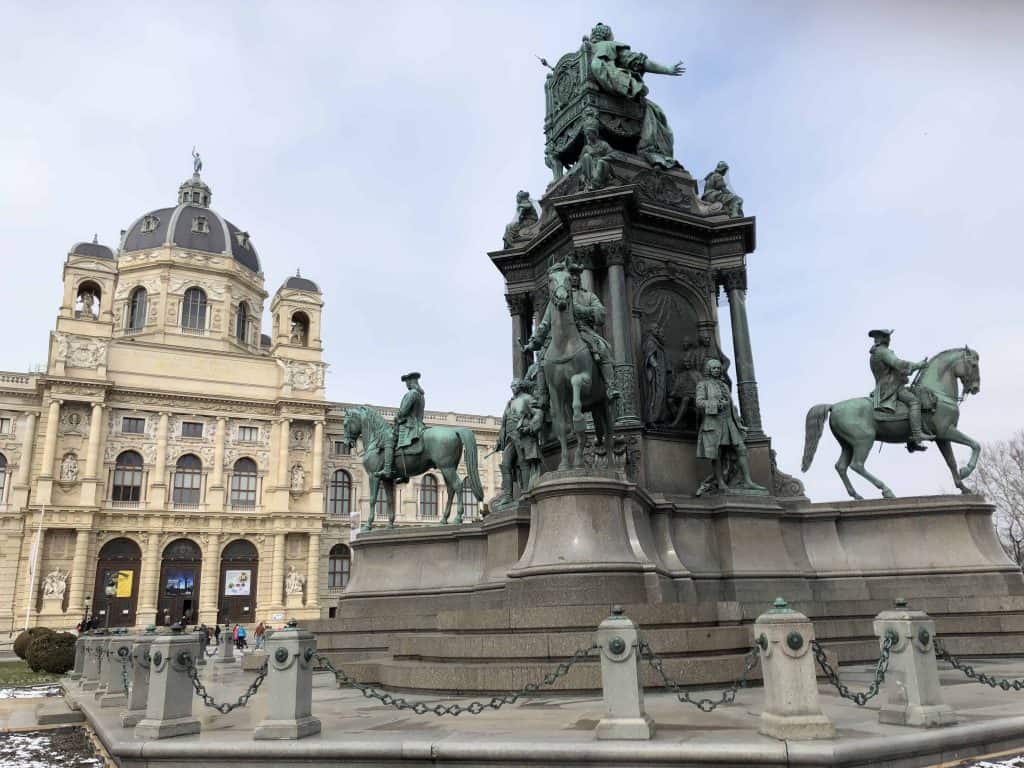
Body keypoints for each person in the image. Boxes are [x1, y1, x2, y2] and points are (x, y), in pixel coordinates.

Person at [524, 259, 620, 405]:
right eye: (572, 275)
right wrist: (533, 342)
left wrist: (581, 310)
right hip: (557, 336)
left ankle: (610, 386)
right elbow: (544, 324)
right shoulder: (555, 299)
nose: (574, 277)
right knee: (542, 359)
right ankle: (542, 396)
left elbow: (600, 314)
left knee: (602, 348)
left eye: (576, 275)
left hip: (583, 331)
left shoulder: (588, 296)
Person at [695, 358, 763, 492]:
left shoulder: (725, 385)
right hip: (713, 422)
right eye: (713, 368)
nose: (716, 370)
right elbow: (699, 402)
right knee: (717, 453)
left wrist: (737, 420)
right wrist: (715, 405)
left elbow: (731, 405)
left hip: (729, 421)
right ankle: (720, 483)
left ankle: (747, 481)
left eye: (718, 368)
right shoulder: (703, 385)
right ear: (708, 370)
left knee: (741, 448)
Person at [868, 329, 932, 451]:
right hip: (891, 387)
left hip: (884, 386)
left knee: (910, 398)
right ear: (883, 339)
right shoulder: (883, 352)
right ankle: (917, 434)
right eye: (887, 337)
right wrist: (918, 365)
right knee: (914, 402)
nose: (889, 339)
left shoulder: (875, 353)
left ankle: (910, 441)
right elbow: (898, 364)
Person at [497, 378, 544, 502]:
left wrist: (530, 428)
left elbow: (538, 414)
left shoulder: (528, 398)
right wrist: (499, 439)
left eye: (515, 385)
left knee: (523, 462)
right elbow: (504, 423)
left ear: (521, 386)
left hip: (522, 435)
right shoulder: (510, 402)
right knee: (506, 464)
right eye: (511, 386)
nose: (513, 388)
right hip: (509, 437)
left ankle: (525, 492)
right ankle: (507, 495)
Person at [377, 372, 426, 480]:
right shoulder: (421, 395)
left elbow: (403, 411)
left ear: (411, 382)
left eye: (407, 382)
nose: (406, 384)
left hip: (409, 426)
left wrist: (397, 417)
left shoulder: (412, 394)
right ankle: (404, 474)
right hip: (419, 424)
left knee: (389, 440)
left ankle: (387, 469)